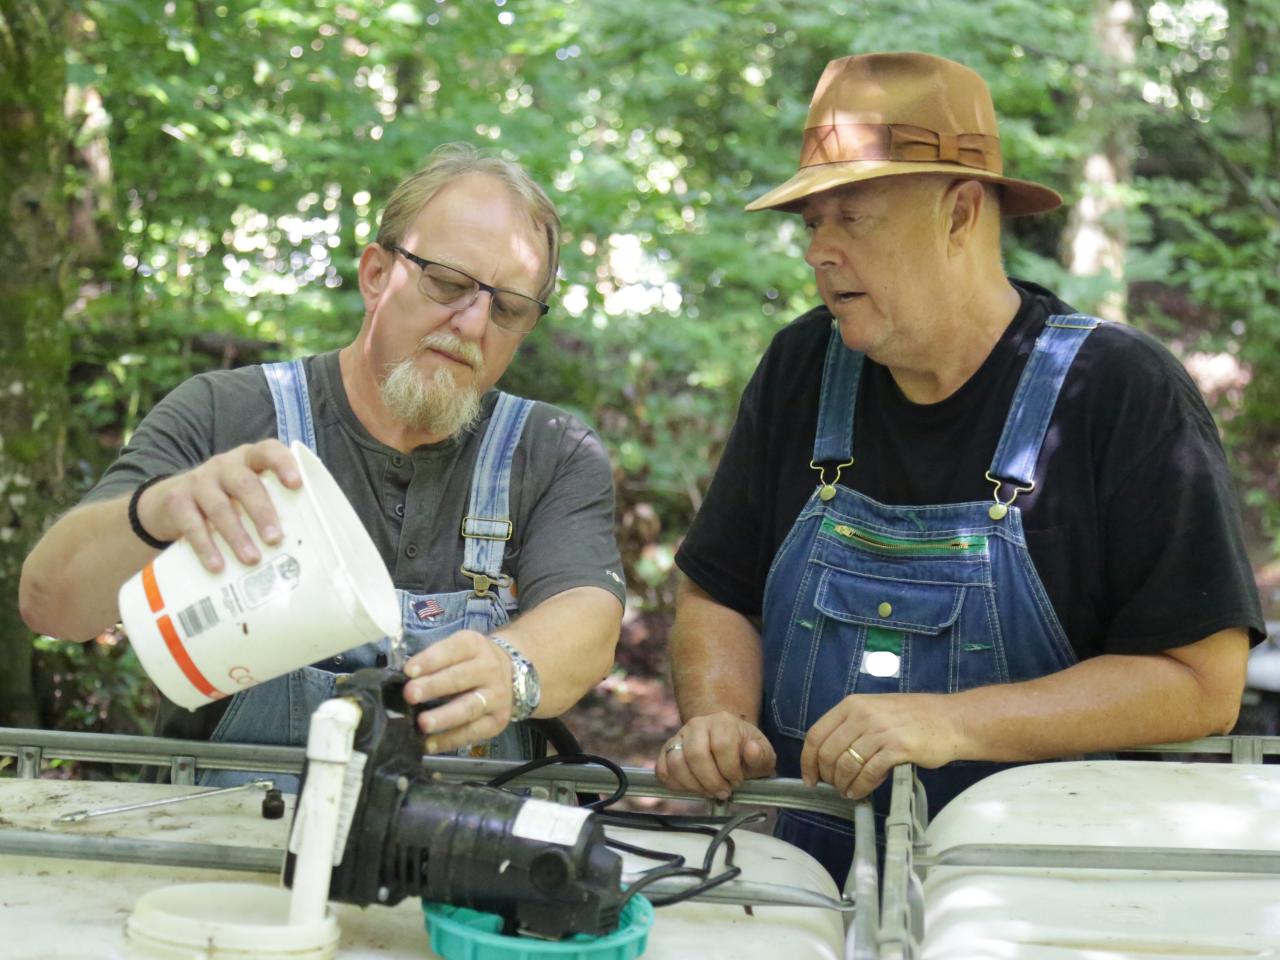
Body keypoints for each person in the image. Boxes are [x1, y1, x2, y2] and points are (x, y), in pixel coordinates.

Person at [656, 52, 1265, 882]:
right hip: (807, 886)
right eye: (811, 224)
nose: (819, 253)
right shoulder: (803, 365)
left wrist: (952, 723)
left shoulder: (1119, 393)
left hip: (1046, 893)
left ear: (960, 213)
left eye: (852, 218)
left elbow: (1202, 683)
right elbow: (716, 592)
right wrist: (720, 716)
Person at [20, 143, 626, 784]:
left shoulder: (553, 450)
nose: (473, 323)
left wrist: (512, 668)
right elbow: (50, 605)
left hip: (464, 859)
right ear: (375, 275)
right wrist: (156, 513)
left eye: (506, 308)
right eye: (447, 283)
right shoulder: (226, 412)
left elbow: (588, 622)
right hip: (228, 848)